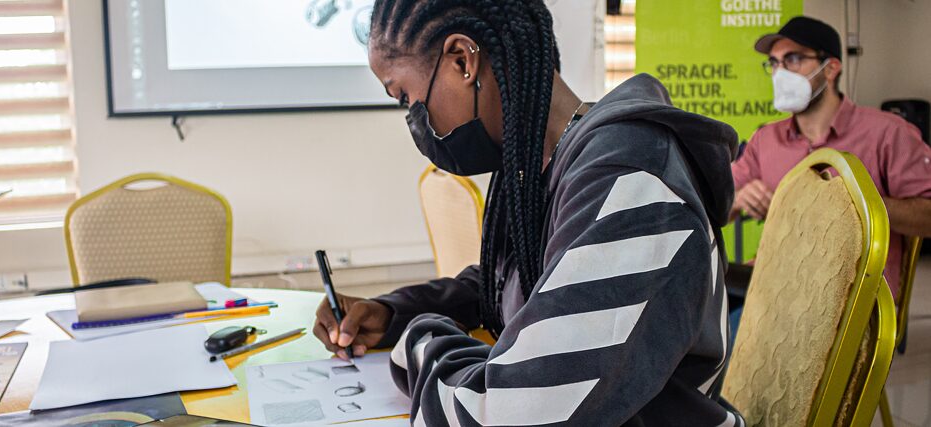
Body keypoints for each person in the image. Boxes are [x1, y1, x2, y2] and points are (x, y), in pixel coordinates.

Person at [314, 1, 742, 425]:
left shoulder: (630, 178)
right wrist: (392, 313)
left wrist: (417, 339)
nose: (413, 118)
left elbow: (512, 415)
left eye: (406, 98)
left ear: (462, 60)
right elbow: (511, 287)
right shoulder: (548, 165)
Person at [732, 16, 931, 299]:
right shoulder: (766, 140)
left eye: (793, 59)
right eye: (774, 63)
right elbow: (718, 204)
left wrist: (853, 203)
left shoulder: (887, 133)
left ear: (831, 68)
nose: (780, 73)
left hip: (852, 297)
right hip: (776, 288)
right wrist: (738, 199)